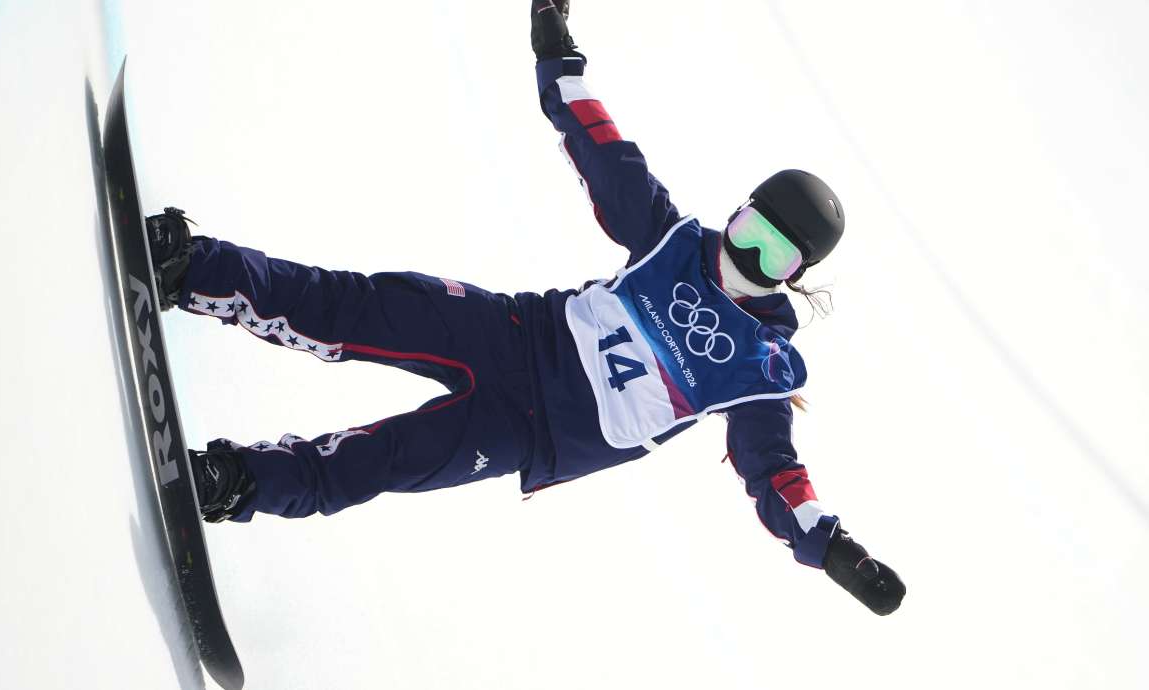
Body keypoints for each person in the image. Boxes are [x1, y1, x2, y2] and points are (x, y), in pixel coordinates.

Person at [146, 0, 905, 616]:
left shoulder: (762, 367)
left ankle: (236, 481)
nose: (746, 256)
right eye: (748, 230)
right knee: (347, 306)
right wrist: (556, 48)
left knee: (378, 461)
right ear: (735, 211)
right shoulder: (671, 241)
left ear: (797, 274)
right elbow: (604, 152)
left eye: (774, 256)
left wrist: (834, 550)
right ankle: (192, 268)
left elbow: (773, 473)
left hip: (530, 432)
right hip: (510, 333)